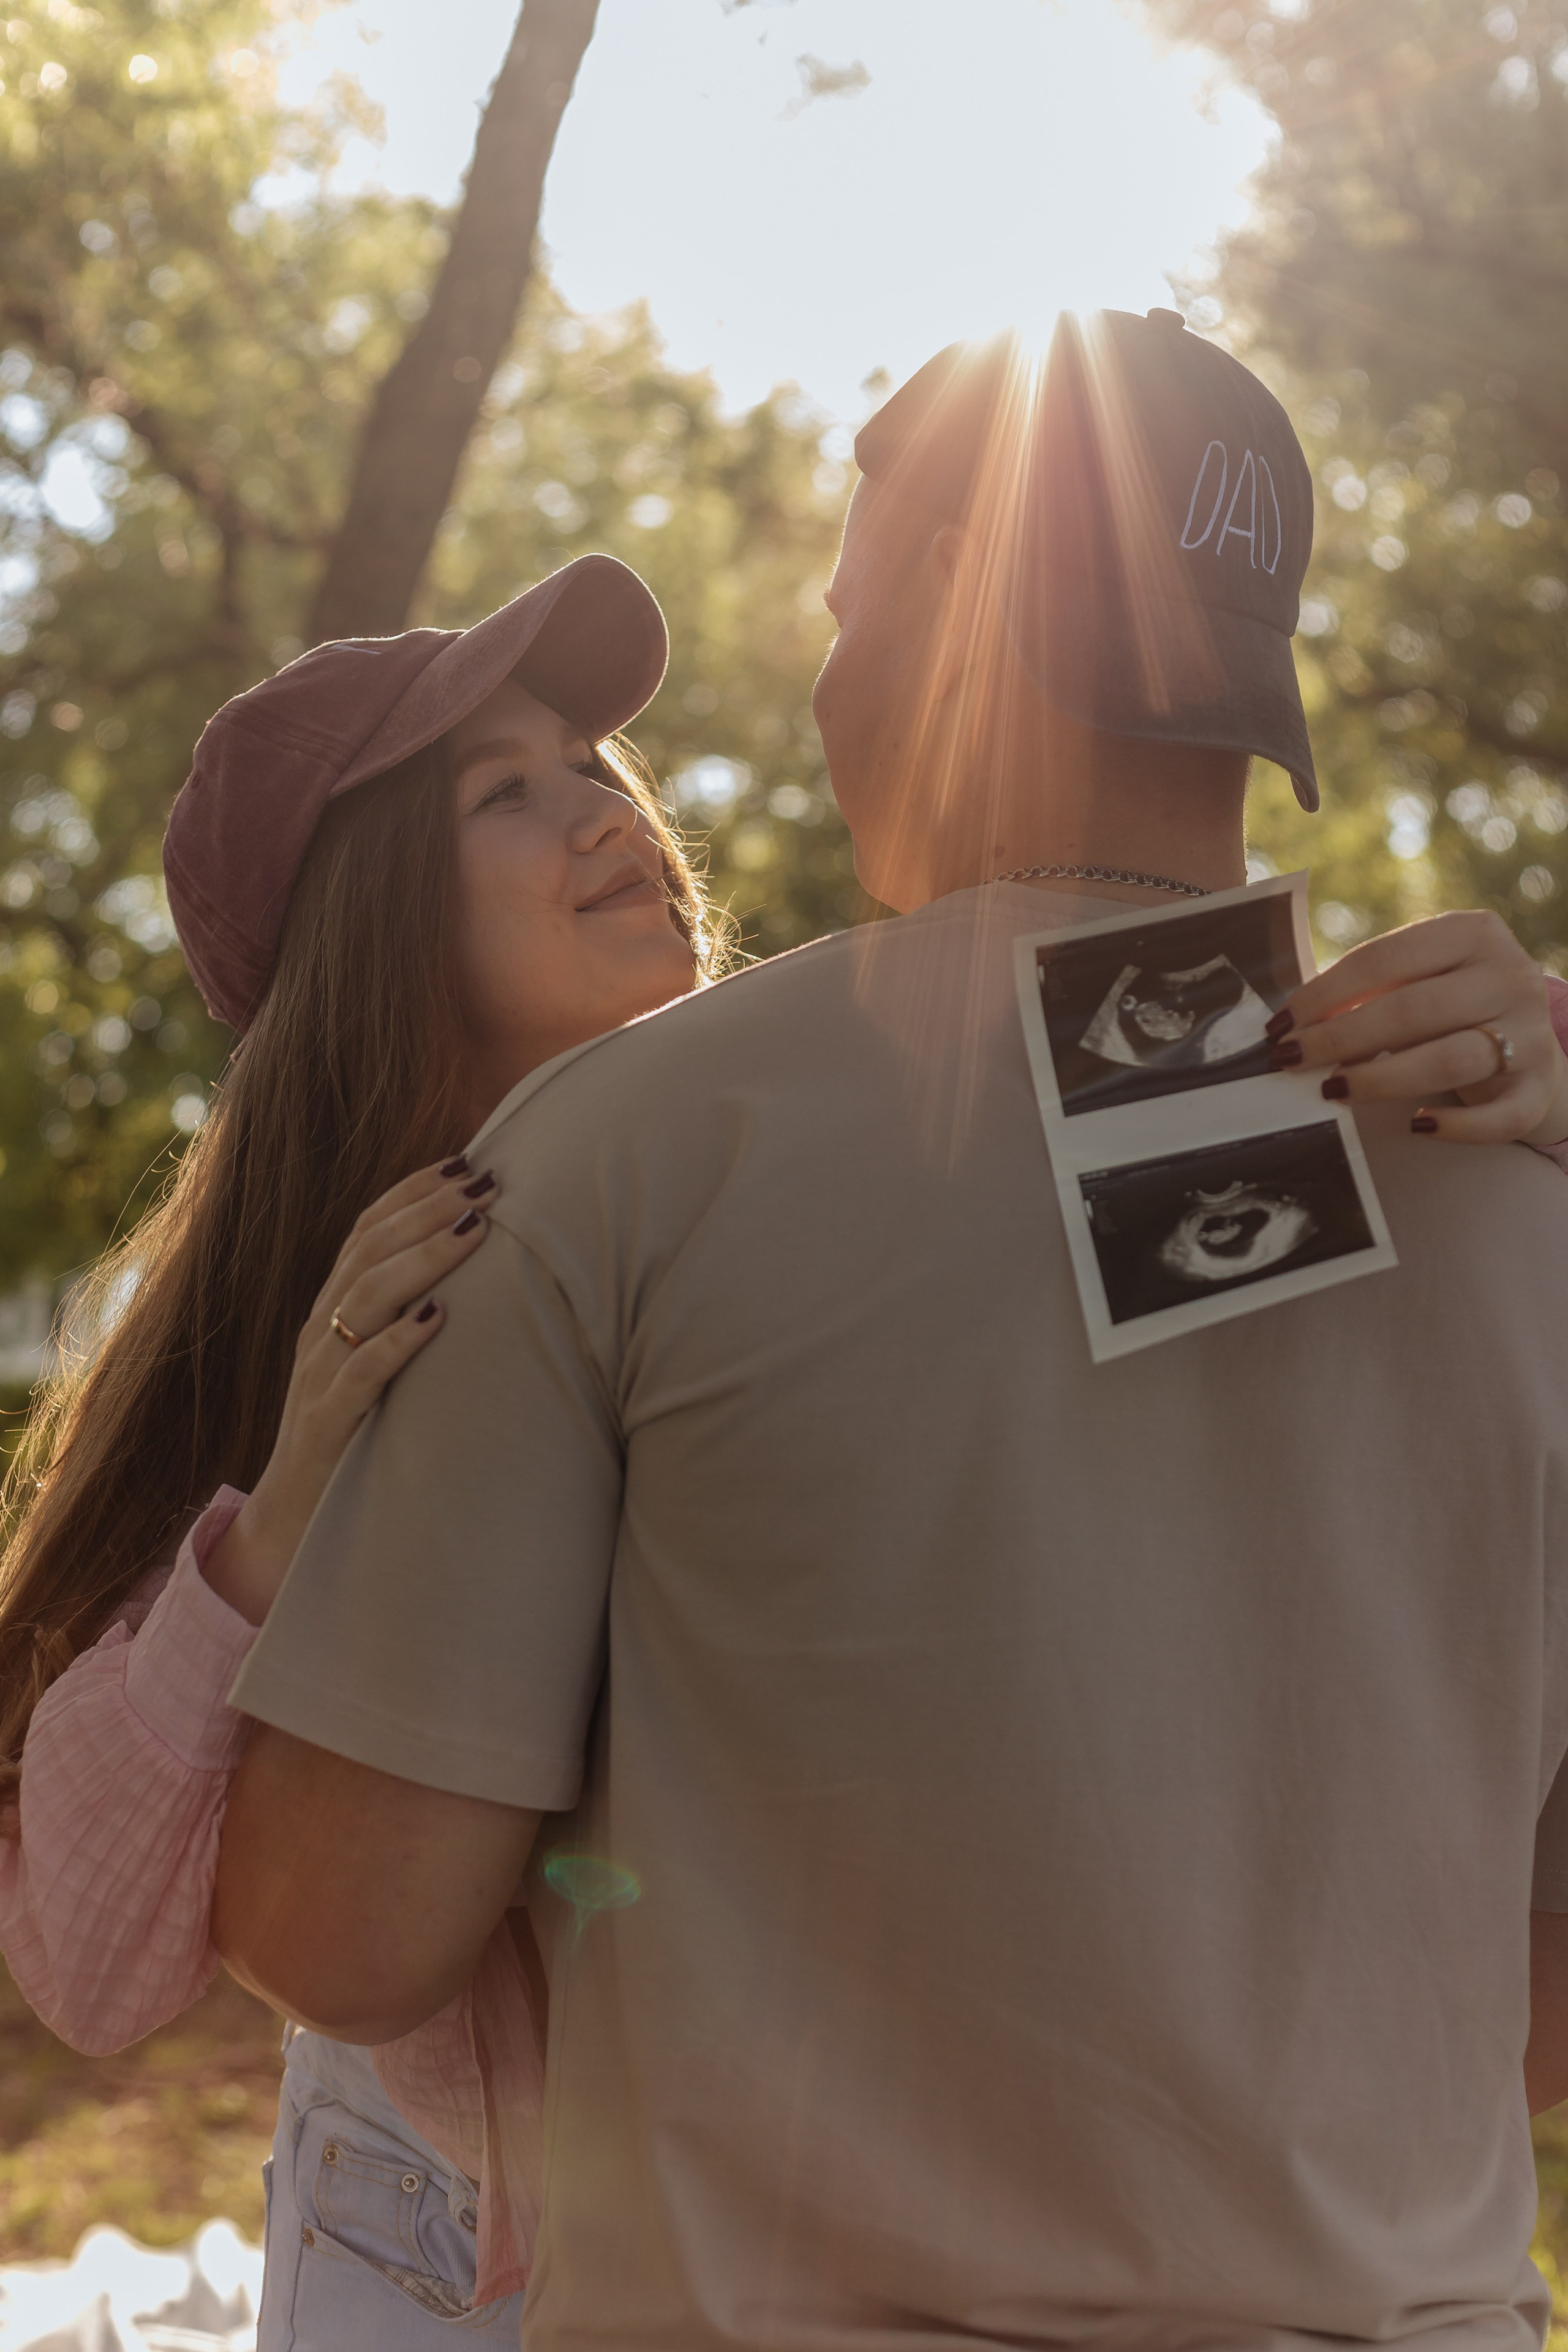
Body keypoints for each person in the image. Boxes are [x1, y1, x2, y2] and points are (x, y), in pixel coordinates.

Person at [212, 310, 1568, 2351]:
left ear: (947, 609)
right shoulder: (1514, 1167)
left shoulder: (616, 1153)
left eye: (853, 607)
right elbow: (1526, 2016)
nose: (831, 673)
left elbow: (335, 1932)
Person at [0, 554, 719, 2343]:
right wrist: (285, 1502)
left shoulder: (795, 1164)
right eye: (507, 786)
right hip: (432, 2246)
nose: (606, 809)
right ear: (382, 935)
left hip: (790, 2224)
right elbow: (92, 1975)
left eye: (592, 760)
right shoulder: (322, 1330)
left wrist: (1531, 1059)